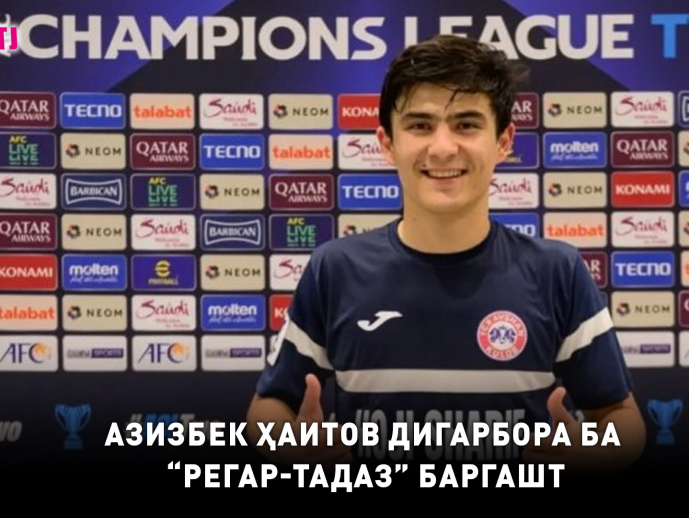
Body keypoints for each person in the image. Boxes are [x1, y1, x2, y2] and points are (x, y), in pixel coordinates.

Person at [246, 34, 645, 473]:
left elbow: (621, 418)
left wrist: (594, 452)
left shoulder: (557, 271)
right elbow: (267, 408)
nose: (441, 148)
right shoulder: (336, 269)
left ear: (504, 141)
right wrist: (291, 446)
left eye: (466, 124)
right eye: (420, 125)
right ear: (386, 143)